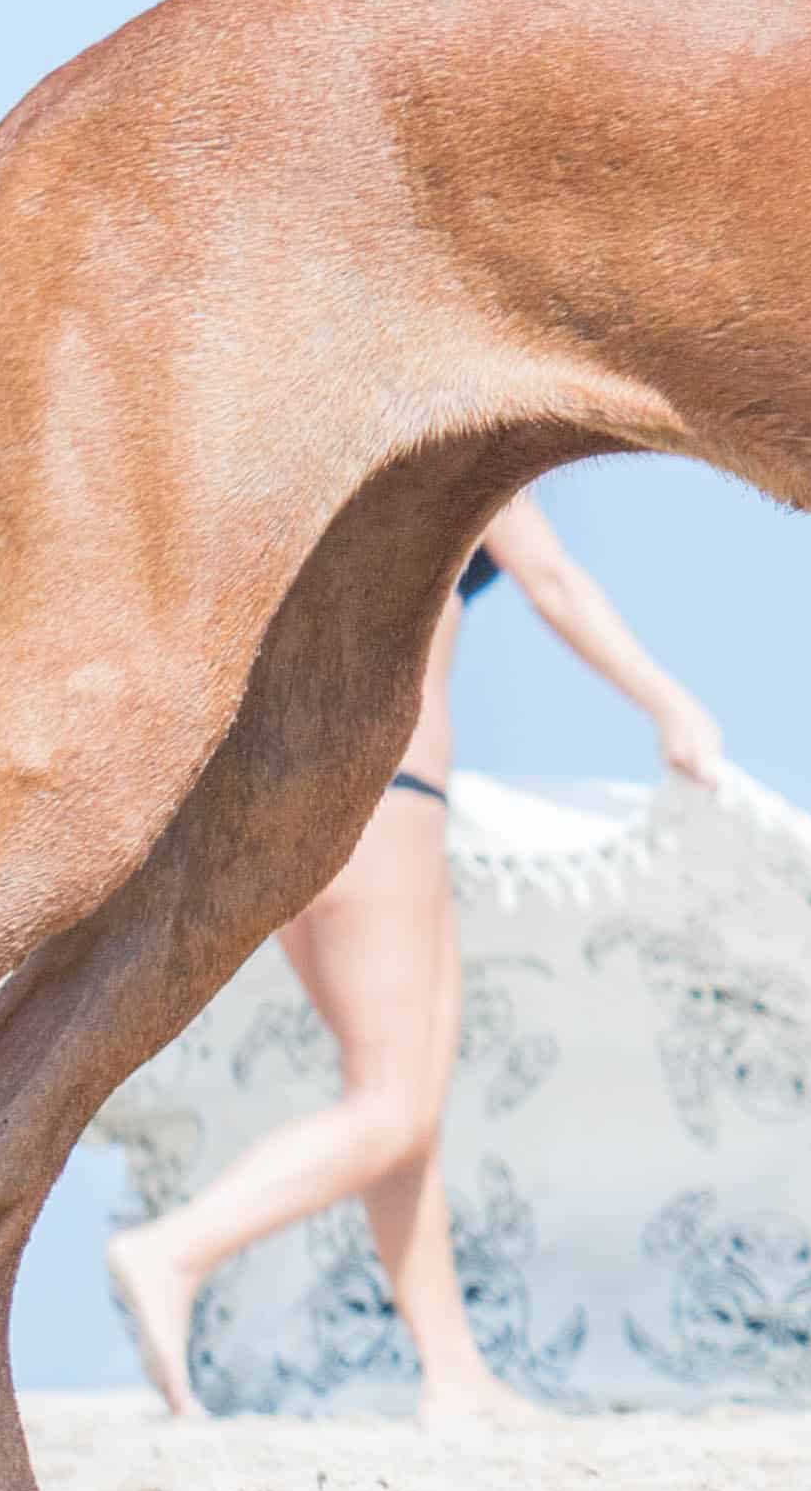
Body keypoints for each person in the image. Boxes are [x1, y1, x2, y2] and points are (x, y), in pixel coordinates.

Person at [105, 489, 722, 1422]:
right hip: (385, 789)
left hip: (267, 792)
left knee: (406, 1095)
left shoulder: (301, 445)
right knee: (392, 1104)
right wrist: (671, 706)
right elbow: (552, 580)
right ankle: (176, 1249)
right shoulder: (458, 437)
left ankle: (453, 1372)